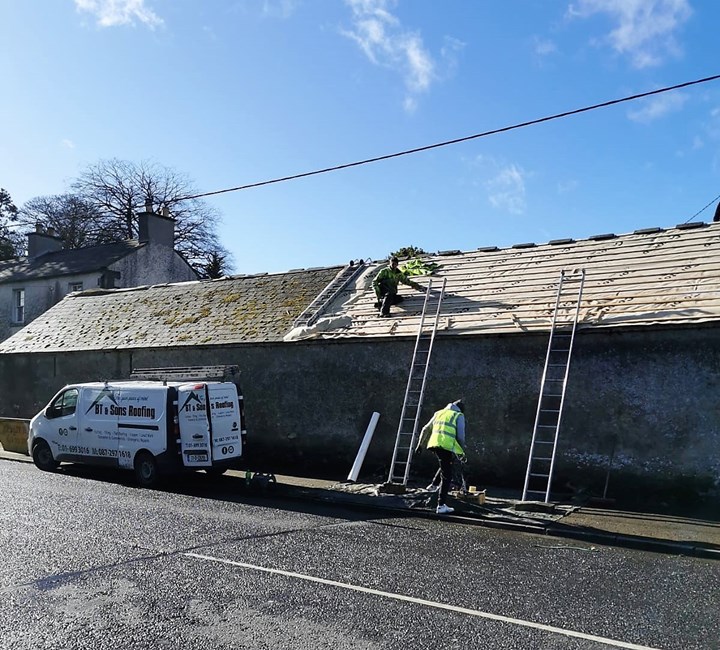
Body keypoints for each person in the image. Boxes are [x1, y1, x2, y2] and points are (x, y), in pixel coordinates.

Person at [415, 399, 466, 515]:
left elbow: (425, 429)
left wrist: (419, 445)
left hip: (434, 444)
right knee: (447, 475)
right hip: (446, 446)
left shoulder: (439, 413)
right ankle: (441, 505)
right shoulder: (458, 415)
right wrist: (462, 451)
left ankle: (433, 485)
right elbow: (461, 436)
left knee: (446, 464)